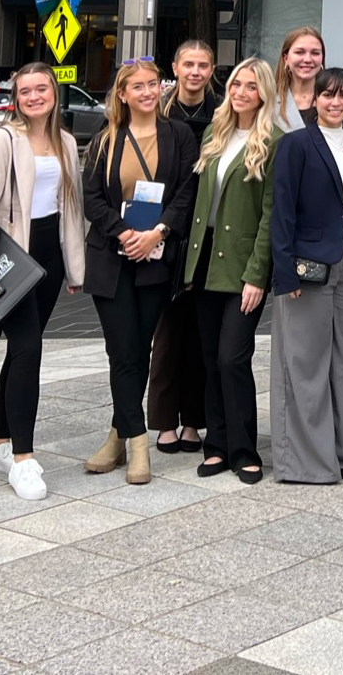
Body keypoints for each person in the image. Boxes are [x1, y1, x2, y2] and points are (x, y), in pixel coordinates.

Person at [0, 63, 87, 501]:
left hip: (50, 255)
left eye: (42, 89)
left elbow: (71, 206)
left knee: (20, 349)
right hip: (12, 255)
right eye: (26, 91)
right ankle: (22, 458)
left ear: (54, 93)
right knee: (29, 348)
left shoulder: (66, 142)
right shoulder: (3, 140)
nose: (34, 97)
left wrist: (74, 266)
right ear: (16, 98)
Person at [81, 59, 201, 485]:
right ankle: (137, 445)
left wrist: (157, 233)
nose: (148, 92)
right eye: (138, 86)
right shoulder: (106, 138)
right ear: (122, 94)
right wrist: (124, 232)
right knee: (122, 350)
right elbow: (92, 198)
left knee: (139, 350)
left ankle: (118, 434)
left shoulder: (179, 135)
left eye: (153, 84)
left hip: (156, 257)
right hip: (111, 258)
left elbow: (187, 191)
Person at [268, 67, 343, 484]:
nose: (336, 102)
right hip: (308, 261)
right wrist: (285, 273)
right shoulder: (296, 144)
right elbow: (282, 211)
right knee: (306, 359)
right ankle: (307, 461)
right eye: (328, 94)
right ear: (314, 100)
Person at [187, 58, 281, 483]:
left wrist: (257, 275)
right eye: (237, 84)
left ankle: (244, 449)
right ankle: (217, 446)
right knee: (210, 358)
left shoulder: (275, 142)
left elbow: (271, 214)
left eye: (251, 86)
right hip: (205, 257)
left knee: (233, 357)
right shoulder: (214, 133)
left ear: (264, 93)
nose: (241, 92)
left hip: (243, 263)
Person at [149, 39, 220, 456]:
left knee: (200, 330)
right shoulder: (158, 109)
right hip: (165, 227)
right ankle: (163, 421)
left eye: (203, 65)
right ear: (174, 67)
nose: (195, 72)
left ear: (212, 70)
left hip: (208, 229)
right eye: (188, 64)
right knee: (168, 330)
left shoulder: (222, 112)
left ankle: (194, 420)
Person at [274, 26, 326, 131]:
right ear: (286, 58)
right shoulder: (269, 102)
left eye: (315, 53)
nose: (307, 59)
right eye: (299, 52)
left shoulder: (337, 100)